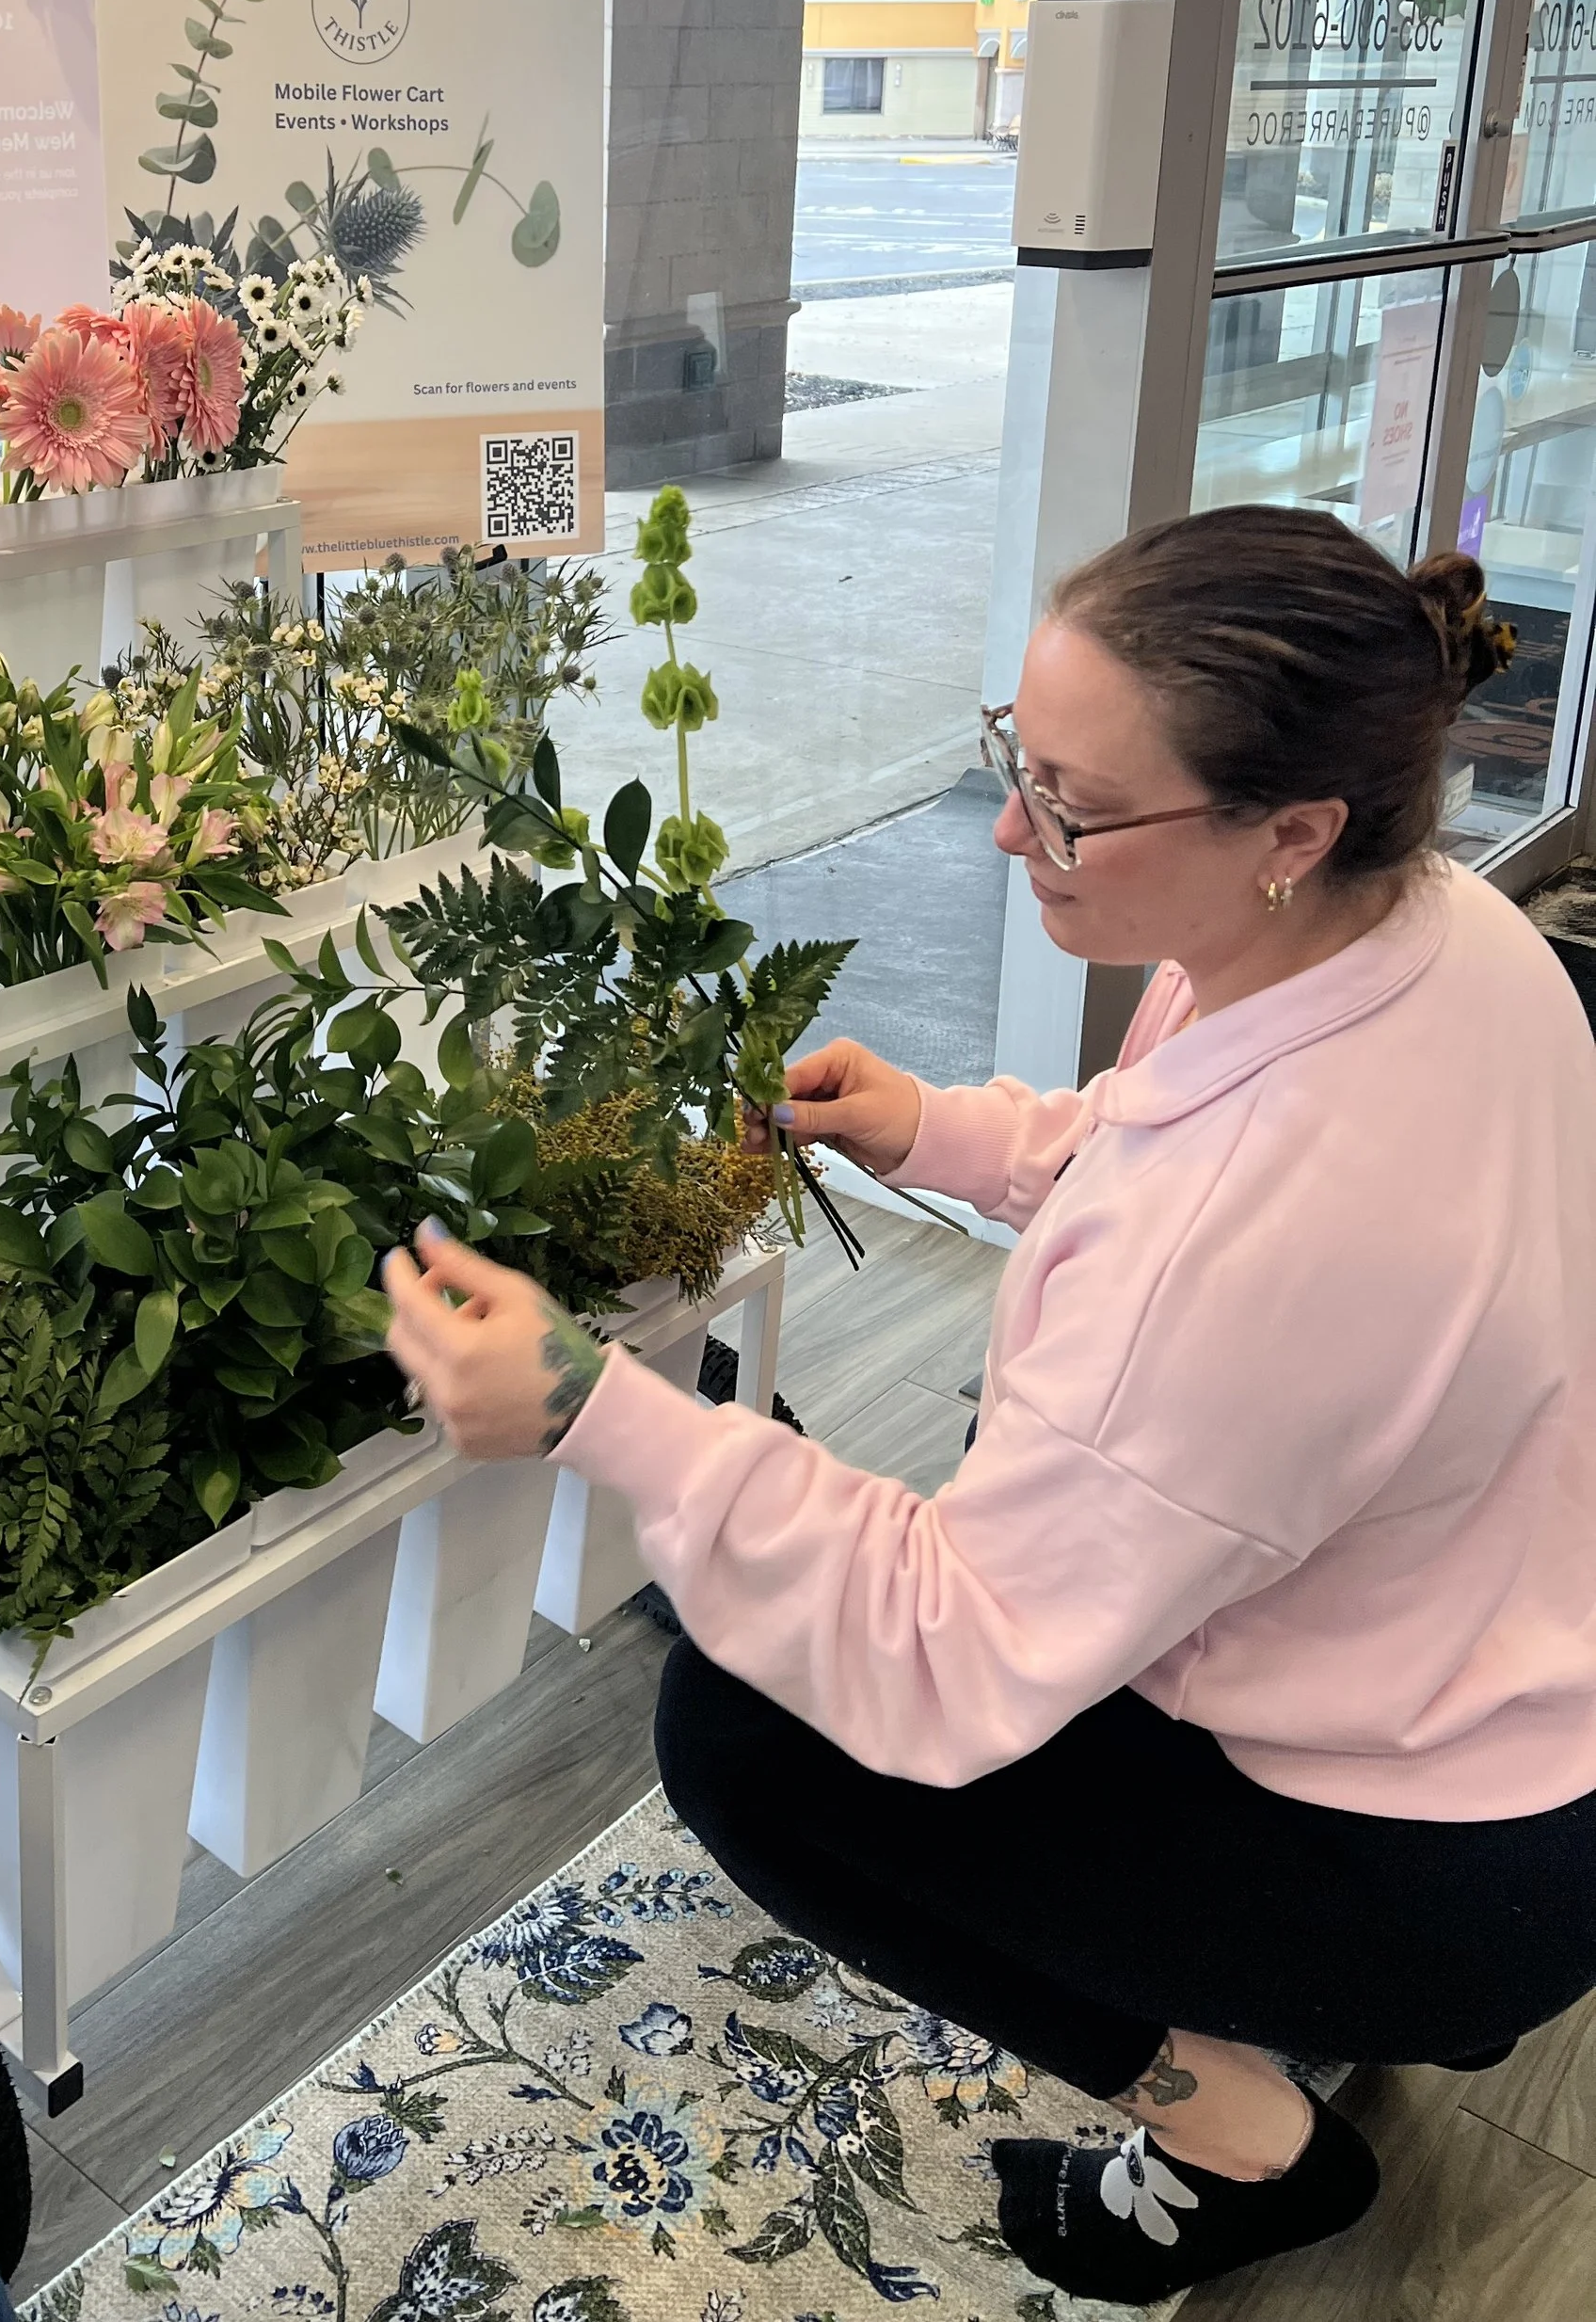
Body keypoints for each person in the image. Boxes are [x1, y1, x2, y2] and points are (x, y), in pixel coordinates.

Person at [383, 504, 1596, 2308]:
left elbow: (948, 1654)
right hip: (1515, 1683)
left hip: (1431, 1861)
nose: (1013, 830)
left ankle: (1241, 2135)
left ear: (1293, 828)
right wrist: (944, 1131)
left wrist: (595, 1409)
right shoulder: (1437, 932)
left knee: (750, 1740)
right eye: (1012, 764)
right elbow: (1165, 1132)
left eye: (1075, 808)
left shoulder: (1243, 1255)